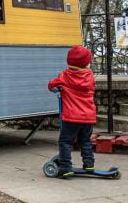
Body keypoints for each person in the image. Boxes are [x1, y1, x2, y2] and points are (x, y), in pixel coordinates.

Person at [47, 45, 96, 178]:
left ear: (69, 61)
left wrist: (58, 89)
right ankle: (89, 164)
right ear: (86, 62)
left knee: (66, 142)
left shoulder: (64, 76)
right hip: (88, 117)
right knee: (85, 141)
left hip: (71, 117)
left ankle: (66, 167)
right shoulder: (90, 76)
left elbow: (51, 85)